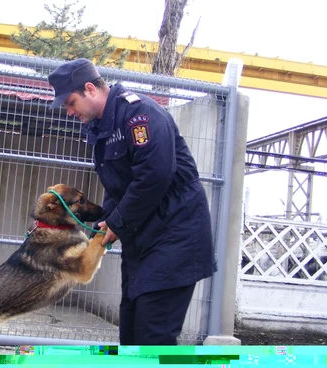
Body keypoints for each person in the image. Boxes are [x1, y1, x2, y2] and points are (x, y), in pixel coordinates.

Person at [47, 58, 217, 346]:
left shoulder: (139, 115)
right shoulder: (103, 126)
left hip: (175, 237)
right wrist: (102, 226)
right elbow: (118, 186)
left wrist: (116, 222)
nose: (69, 111)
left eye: (71, 102)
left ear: (90, 89)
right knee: (131, 333)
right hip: (143, 240)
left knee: (153, 337)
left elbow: (154, 176)